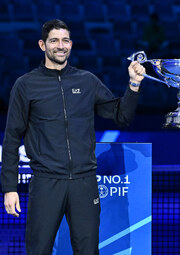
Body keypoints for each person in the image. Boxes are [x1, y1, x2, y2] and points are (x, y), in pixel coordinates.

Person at [1, 19, 145, 255]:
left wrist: (134, 84)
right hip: (46, 183)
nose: (61, 46)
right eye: (54, 40)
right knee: (38, 250)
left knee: (88, 250)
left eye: (65, 40)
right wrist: (9, 187)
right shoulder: (26, 85)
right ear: (42, 45)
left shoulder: (86, 81)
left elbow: (122, 116)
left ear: (71, 44)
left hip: (84, 183)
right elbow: (12, 138)